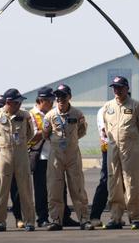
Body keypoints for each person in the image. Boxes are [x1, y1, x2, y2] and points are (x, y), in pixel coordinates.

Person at [0, 88, 36, 232]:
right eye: (16, 102)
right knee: (2, 189)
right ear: (8, 102)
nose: (19, 105)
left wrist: (21, 145)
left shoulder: (25, 116)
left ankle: (29, 221)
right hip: (3, 154)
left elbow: (30, 133)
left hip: (21, 155)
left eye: (20, 102)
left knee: (25, 189)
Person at [42, 84, 92, 231]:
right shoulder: (50, 115)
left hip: (72, 155)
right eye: (57, 97)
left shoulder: (77, 114)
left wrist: (72, 139)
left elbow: (82, 130)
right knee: (54, 188)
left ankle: (84, 219)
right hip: (56, 155)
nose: (60, 99)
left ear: (69, 97)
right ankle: (56, 220)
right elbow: (46, 134)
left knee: (77, 188)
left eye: (63, 96)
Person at [28, 87, 80, 228]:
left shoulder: (56, 113)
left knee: (60, 188)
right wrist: (48, 130)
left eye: (53, 100)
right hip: (41, 156)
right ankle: (43, 217)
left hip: (58, 155)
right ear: (40, 100)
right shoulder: (32, 115)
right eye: (49, 100)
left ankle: (63, 216)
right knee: (42, 190)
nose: (53, 102)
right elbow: (32, 135)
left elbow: (79, 131)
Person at [102, 76, 139, 230]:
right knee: (113, 182)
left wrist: (129, 138)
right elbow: (107, 128)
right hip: (113, 148)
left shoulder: (136, 106)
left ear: (127, 88)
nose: (117, 90)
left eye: (120, 87)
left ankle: (135, 217)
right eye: (114, 87)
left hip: (130, 148)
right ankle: (115, 218)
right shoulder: (108, 107)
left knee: (132, 182)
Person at [0, 95, 26, 229]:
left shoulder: (17, 117)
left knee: (16, 192)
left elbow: (28, 135)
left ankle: (19, 218)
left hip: (13, 159)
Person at [89, 104, 109, 227]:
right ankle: (95, 215)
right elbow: (104, 131)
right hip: (109, 148)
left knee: (123, 183)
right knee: (105, 181)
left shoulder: (133, 107)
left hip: (126, 149)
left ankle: (117, 215)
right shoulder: (106, 110)